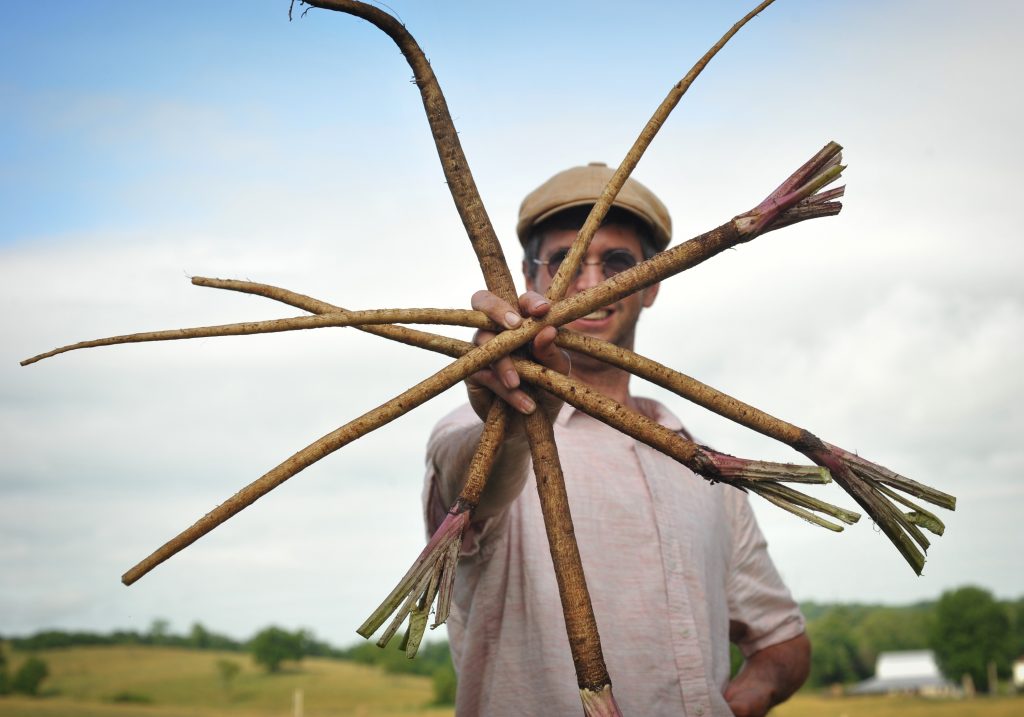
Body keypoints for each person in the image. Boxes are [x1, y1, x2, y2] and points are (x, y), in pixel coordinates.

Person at [423, 163, 810, 716]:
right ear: (529, 280)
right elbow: (474, 483)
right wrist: (507, 415)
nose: (589, 284)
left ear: (650, 285)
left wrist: (736, 705)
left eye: (618, 263)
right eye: (565, 261)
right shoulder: (473, 428)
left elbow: (783, 642)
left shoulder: (706, 468)